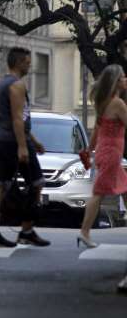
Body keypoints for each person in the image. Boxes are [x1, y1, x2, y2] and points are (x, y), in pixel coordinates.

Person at [0, 47, 50, 247]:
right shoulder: (17, 85)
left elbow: (16, 118)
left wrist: (34, 141)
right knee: (37, 182)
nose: (30, 66)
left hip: (1, 139)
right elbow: (17, 118)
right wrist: (23, 146)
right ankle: (26, 230)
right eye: (28, 63)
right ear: (19, 63)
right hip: (13, 142)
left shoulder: (2, 83)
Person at [77, 64, 127, 248]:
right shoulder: (117, 103)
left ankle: (84, 232)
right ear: (116, 82)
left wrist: (89, 149)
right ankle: (84, 232)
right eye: (122, 77)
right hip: (111, 154)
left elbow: (97, 128)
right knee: (98, 194)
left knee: (125, 188)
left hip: (105, 152)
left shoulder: (104, 101)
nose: (125, 80)